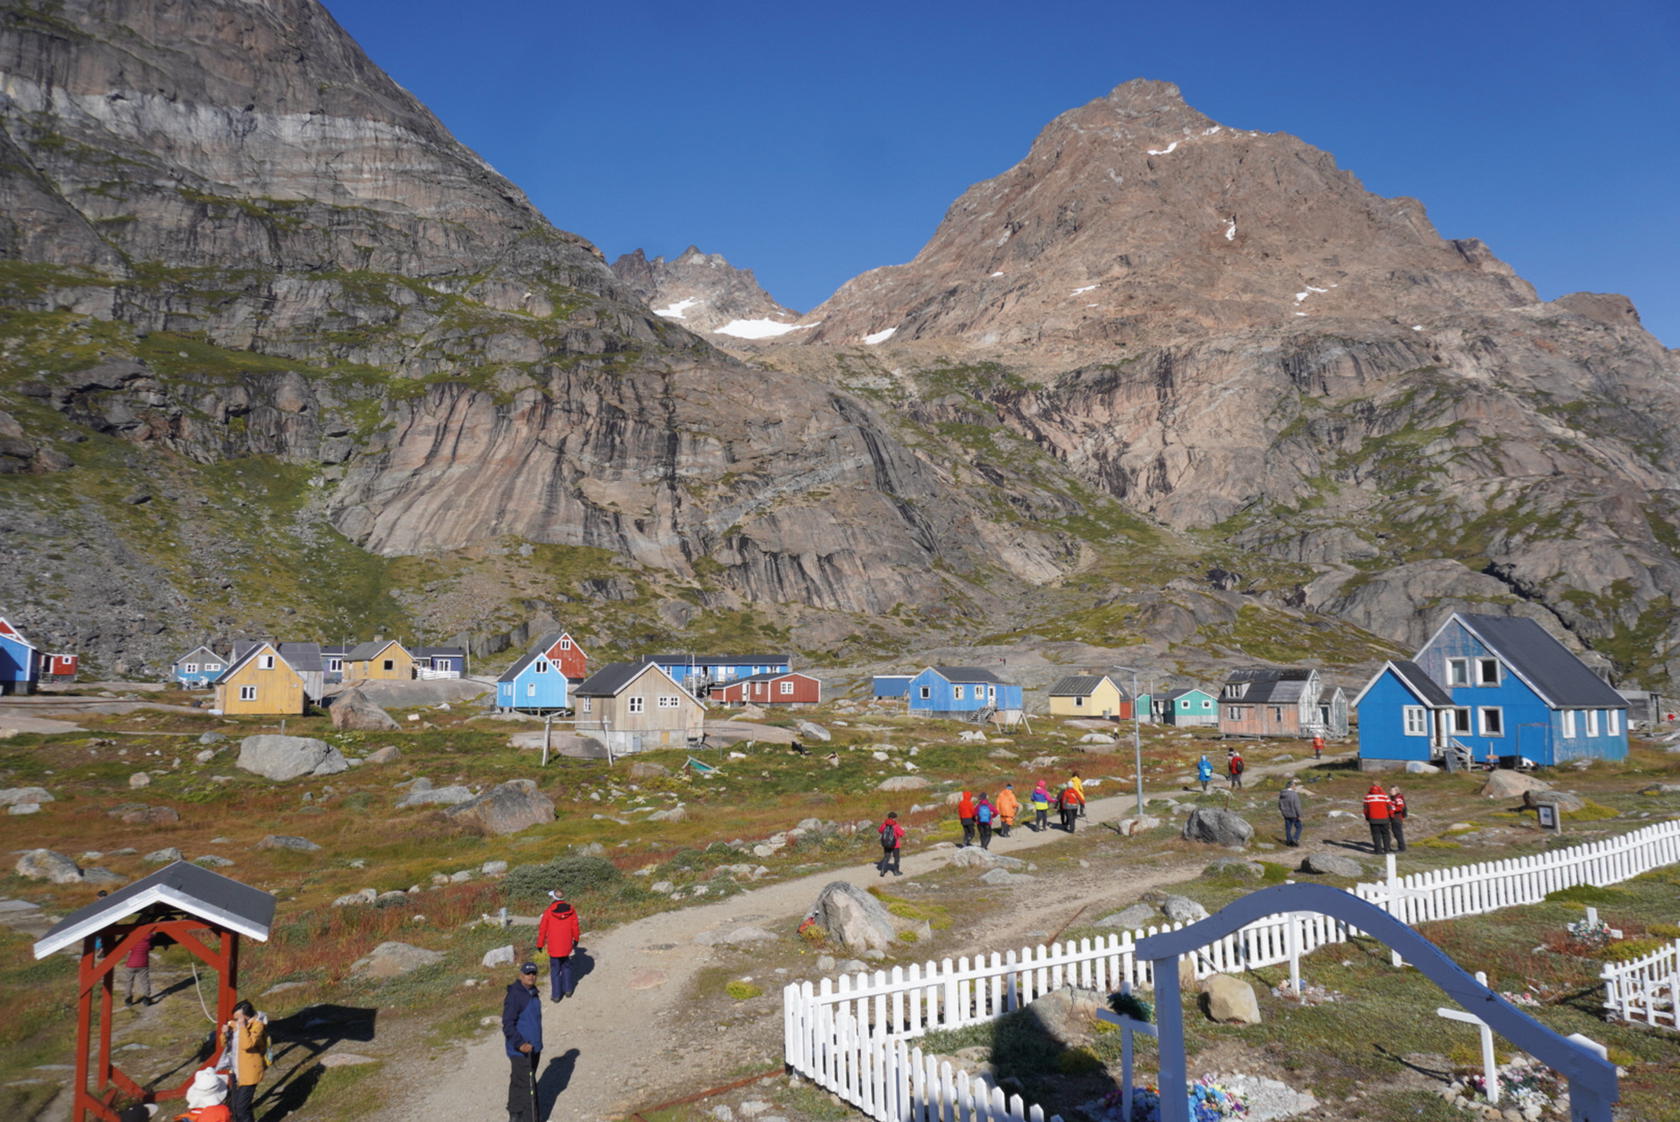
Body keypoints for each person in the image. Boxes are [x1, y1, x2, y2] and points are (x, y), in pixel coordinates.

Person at [502, 962, 543, 1122]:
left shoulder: (533, 992)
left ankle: (514, 1113)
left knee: (519, 1080)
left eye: (534, 973)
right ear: (521, 975)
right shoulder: (515, 996)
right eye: (528, 973)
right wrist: (520, 1044)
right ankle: (529, 1118)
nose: (531, 976)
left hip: (534, 1048)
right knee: (528, 1087)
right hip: (521, 1050)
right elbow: (508, 1024)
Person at [223, 1000, 268, 1122]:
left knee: (241, 1108)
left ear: (246, 1016)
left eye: (238, 1018)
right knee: (234, 1108)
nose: (236, 1021)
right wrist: (225, 1033)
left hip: (249, 1073)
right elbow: (226, 1045)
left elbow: (247, 1045)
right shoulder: (236, 1026)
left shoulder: (257, 1026)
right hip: (236, 1071)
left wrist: (242, 1027)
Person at [536, 889, 582, 1004]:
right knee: (566, 967)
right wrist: (576, 939)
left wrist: (540, 944)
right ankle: (568, 990)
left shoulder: (548, 912)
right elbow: (575, 926)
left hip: (554, 947)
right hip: (566, 946)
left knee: (555, 970)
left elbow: (542, 930)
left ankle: (556, 995)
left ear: (554, 898)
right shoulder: (571, 910)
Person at [1362, 782, 1394, 854]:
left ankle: (1378, 850)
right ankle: (1387, 849)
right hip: (1384, 818)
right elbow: (1389, 806)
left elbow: (1365, 809)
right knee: (1386, 834)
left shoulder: (1367, 797)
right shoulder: (1384, 796)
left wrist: (1367, 817)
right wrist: (1391, 815)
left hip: (1373, 819)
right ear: (1380, 786)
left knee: (1376, 835)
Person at [123, 930, 153, 1007]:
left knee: (129, 982)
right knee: (145, 981)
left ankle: (128, 1000)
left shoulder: (133, 940)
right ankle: (147, 998)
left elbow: (128, 949)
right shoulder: (148, 942)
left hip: (131, 964)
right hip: (143, 964)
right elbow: (151, 947)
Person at [1278, 777, 1305, 847]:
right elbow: (1297, 806)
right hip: (1294, 814)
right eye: (1295, 785)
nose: (1295, 787)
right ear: (1291, 786)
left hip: (1286, 814)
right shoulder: (1294, 794)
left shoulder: (1282, 794)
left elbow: (1280, 805)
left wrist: (1283, 812)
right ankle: (1295, 839)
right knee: (1299, 827)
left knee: (1288, 828)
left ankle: (1289, 842)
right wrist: (1299, 814)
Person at [876, 811, 904, 876]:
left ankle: (882, 871)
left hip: (886, 844)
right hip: (895, 845)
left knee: (886, 857)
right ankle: (896, 872)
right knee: (896, 858)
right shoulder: (896, 826)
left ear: (888, 817)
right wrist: (902, 831)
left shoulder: (884, 824)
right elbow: (902, 833)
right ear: (893, 818)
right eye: (895, 818)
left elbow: (880, 831)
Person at [1388, 785, 1408, 852]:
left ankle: (1402, 848)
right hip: (1393, 817)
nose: (1390, 792)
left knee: (1398, 833)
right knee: (1395, 832)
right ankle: (1401, 847)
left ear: (1396, 791)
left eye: (1392, 790)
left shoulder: (1398, 798)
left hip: (1397, 817)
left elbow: (1401, 807)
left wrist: (1392, 809)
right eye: (1390, 790)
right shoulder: (1392, 798)